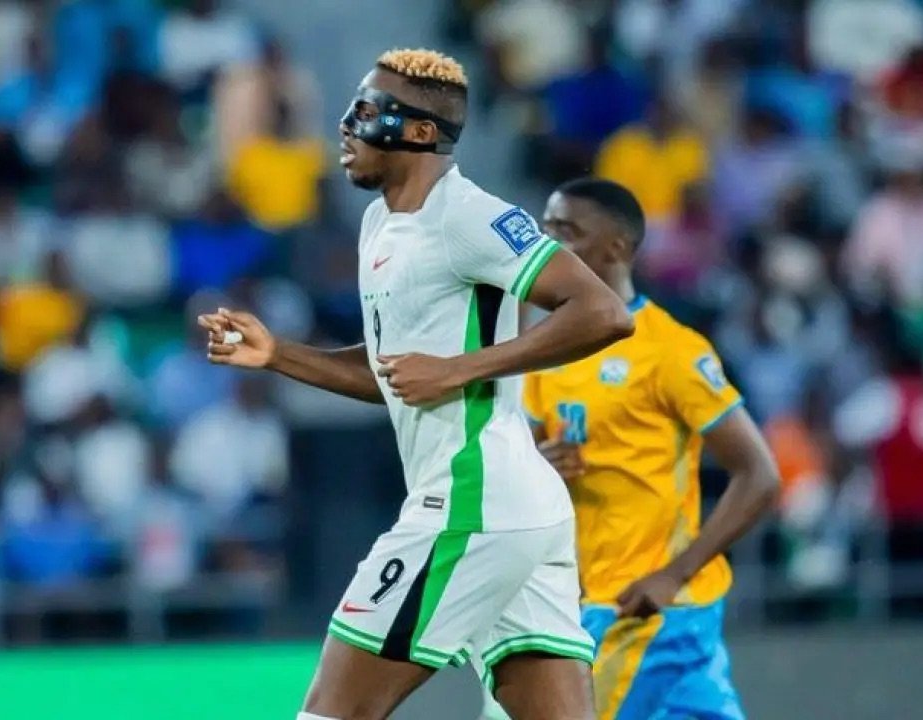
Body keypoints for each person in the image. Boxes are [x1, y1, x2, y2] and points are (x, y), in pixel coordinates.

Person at [198, 49, 633, 720]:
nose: (346, 126)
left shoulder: (470, 216)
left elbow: (603, 313)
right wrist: (279, 354)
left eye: (368, 112)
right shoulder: (382, 223)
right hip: (516, 508)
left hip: (471, 502)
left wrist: (462, 368)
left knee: (331, 713)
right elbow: (396, 375)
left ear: (423, 132)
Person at [519, 178, 780, 720]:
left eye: (565, 232)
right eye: (544, 228)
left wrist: (673, 573)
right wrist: (536, 468)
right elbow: (519, 474)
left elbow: (759, 474)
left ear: (615, 247)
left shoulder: (669, 350)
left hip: (644, 609)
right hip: (587, 599)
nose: (546, 243)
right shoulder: (545, 350)